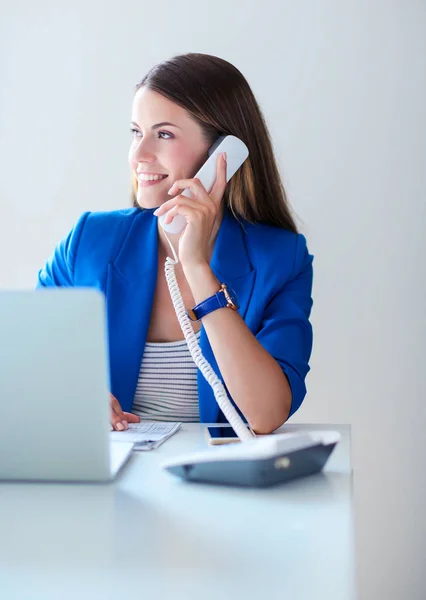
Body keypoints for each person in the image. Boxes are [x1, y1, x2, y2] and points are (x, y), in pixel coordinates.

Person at [37, 52, 313, 435]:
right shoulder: (89, 241)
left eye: (163, 134)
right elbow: (24, 359)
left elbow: (265, 415)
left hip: (214, 485)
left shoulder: (281, 260)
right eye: (136, 132)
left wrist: (198, 268)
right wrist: (70, 394)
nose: (139, 155)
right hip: (111, 478)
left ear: (223, 154)